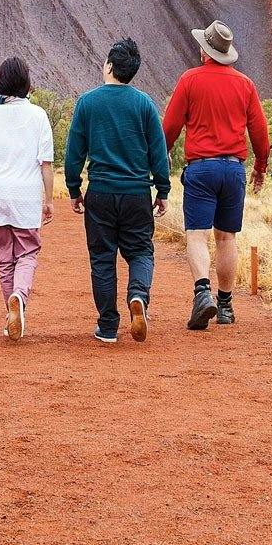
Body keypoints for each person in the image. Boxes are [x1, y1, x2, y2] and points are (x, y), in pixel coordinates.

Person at [162, 19, 269, 331]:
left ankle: (201, 294)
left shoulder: (190, 80)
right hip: (233, 169)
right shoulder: (246, 85)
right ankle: (225, 305)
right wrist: (260, 169)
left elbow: (169, 126)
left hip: (201, 168)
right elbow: (260, 132)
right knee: (226, 237)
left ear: (204, 50)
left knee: (197, 234)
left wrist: (163, 154)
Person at [64, 38, 170, 344]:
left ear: (110, 65)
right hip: (137, 193)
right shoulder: (145, 105)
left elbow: (74, 153)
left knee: (102, 258)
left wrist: (74, 188)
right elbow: (158, 153)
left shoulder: (87, 102)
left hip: (100, 193)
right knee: (140, 252)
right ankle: (138, 295)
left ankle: (108, 326)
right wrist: (162, 190)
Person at [0, 56, 56, 342]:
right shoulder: (39, 116)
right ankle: (19, 297)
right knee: (27, 253)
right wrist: (49, 200)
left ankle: (11, 312)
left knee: (4, 258)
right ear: (27, 84)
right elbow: (46, 164)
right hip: (26, 196)